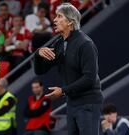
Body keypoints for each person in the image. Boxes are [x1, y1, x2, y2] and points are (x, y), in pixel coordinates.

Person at [34, 3, 103, 135]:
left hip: (88, 103)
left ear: (70, 22)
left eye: (59, 16)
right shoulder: (59, 43)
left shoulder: (85, 44)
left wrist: (63, 91)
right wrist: (37, 54)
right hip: (72, 103)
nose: (54, 20)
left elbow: (89, 78)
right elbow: (40, 71)